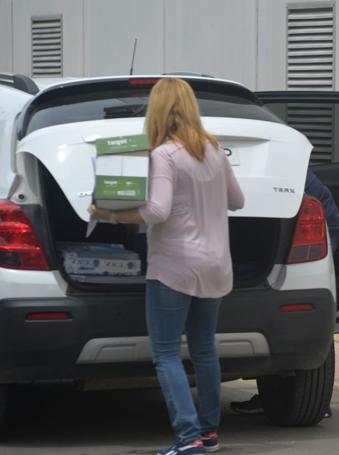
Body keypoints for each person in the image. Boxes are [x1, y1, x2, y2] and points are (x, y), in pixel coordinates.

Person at [89, 78, 245, 454]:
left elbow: (156, 211)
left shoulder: (164, 155)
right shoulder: (212, 149)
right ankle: (208, 434)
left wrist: (107, 212)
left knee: (166, 354)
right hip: (216, 265)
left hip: (175, 266)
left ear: (157, 110)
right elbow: (237, 201)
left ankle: (187, 437)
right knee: (205, 350)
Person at [229, 168, 339, 418]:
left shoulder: (288, 170)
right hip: (302, 237)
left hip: (314, 232)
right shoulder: (283, 160)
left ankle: (306, 400)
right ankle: (301, 398)